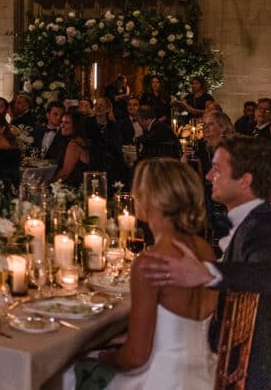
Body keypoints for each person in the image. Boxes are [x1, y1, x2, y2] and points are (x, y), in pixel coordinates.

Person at [141, 137, 271, 390]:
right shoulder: (259, 220)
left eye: (218, 169)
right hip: (232, 354)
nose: (209, 176)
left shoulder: (263, 228)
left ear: (245, 181)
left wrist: (206, 272)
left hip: (245, 372)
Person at [82, 158, 217, 389]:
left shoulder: (149, 262)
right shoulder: (204, 249)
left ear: (151, 198)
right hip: (204, 373)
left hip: (163, 378)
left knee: (68, 373)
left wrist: (104, 357)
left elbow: (135, 357)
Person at [182, 110, 234, 241]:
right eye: (204, 124)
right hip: (206, 196)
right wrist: (184, 159)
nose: (205, 127)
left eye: (210, 124)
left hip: (228, 195)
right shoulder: (200, 146)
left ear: (222, 127)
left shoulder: (233, 147)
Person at [88, 96, 126, 185]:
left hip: (110, 164)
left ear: (108, 109)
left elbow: (117, 148)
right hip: (92, 162)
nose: (98, 107)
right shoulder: (88, 123)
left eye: (101, 105)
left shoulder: (114, 126)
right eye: (96, 105)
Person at [51, 111, 89, 188]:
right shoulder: (79, 141)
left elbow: (65, 173)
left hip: (73, 189)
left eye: (67, 123)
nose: (62, 125)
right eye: (62, 122)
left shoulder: (74, 144)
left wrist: (47, 184)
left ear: (76, 126)